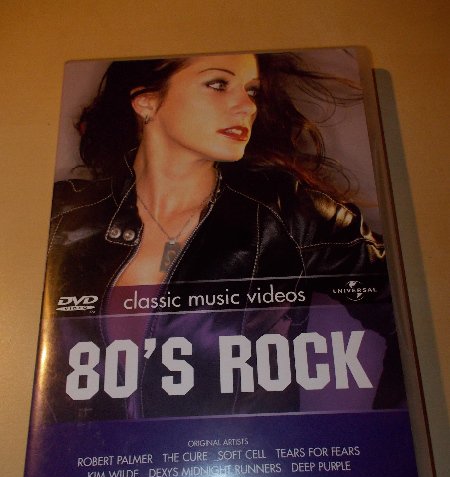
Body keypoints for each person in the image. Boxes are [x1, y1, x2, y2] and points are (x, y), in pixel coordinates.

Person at [38, 51, 404, 423]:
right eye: (218, 84)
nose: (247, 106)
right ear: (146, 101)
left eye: (252, 91)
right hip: (90, 460)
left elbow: (411, 322)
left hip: (241, 460)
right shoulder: (59, 218)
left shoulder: (288, 215)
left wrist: (385, 437)